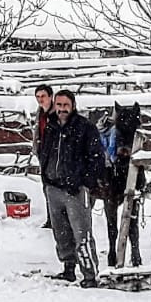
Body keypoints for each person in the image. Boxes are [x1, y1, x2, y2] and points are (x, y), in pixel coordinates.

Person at [37, 89, 108, 285]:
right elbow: (45, 151)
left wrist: (85, 181)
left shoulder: (85, 128)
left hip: (76, 190)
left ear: (73, 106)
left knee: (81, 233)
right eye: (58, 105)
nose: (61, 109)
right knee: (61, 233)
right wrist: (45, 175)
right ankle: (68, 268)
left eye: (65, 105)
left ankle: (89, 275)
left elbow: (97, 158)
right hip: (53, 187)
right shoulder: (51, 126)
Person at [34, 84, 54, 228]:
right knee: (46, 186)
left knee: (55, 188)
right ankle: (50, 218)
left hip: (54, 154)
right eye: (38, 97)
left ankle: (57, 218)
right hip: (43, 153)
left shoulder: (56, 114)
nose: (40, 100)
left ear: (50, 97)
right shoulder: (40, 112)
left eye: (43, 96)